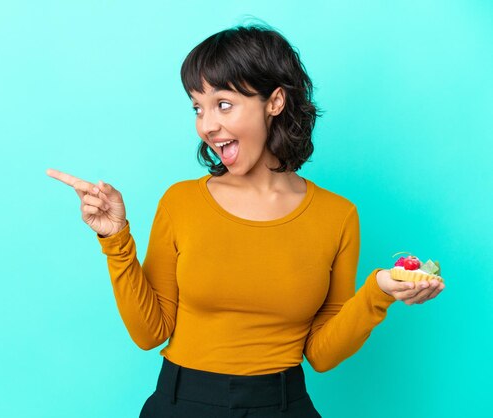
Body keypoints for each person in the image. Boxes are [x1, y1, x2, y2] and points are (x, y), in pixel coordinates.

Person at [47, 23, 445, 418]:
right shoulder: (181, 202)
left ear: (274, 101)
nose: (207, 125)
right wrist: (116, 239)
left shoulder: (337, 216)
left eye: (223, 104)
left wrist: (377, 291)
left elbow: (321, 354)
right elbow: (149, 332)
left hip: (283, 404)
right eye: (197, 108)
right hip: (182, 403)